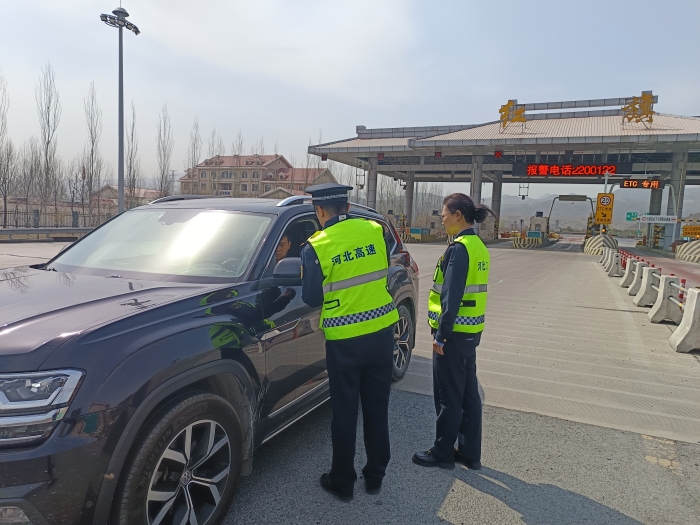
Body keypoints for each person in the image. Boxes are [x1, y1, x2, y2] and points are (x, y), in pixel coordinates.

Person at [300, 183, 399, 502]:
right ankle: (375, 477)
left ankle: (342, 481)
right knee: (377, 408)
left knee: (344, 413)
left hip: (344, 342)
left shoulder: (316, 246)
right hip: (381, 333)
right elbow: (382, 267)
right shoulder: (375, 230)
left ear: (319, 211)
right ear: (348, 207)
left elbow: (311, 297)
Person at [412, 193, 494, 471]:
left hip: (453, 333)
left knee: (448, 395)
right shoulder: (478, 246)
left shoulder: (459, 249)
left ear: (458, 215)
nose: (442, 219)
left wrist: (441, 335)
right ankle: (470, 452)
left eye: (444, 214)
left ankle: (443, 452)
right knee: (469, 393)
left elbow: (451, 297)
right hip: (470, 332)